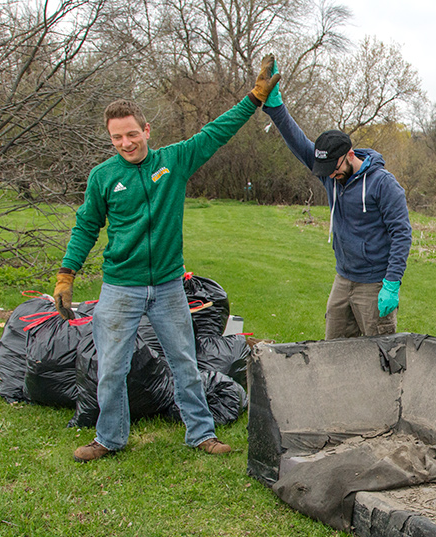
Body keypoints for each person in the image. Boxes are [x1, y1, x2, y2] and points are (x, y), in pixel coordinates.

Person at [52, 56, 280, 462]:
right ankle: (108, 438)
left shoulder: (173, 161)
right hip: (120, 286)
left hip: (170, 286)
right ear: (110, 139)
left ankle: (201, 434)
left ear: (146, 131)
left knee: (185, 363)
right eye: (117, 138)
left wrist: (254, 99)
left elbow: (216, 132)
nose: (125, 143)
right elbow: (86, 225)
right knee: (111, 370)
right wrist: (66, 274)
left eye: (132, 134)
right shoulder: (103, 177)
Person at [261, 60, 411, 337]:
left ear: (350, 156)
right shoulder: (330, 173)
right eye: (326, 172)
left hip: (375, 283)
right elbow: (298, 142)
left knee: (381, 355)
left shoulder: (383, 184)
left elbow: (402, 233)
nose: (330, 176)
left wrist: (392, 283)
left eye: (335, 170)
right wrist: (275, 107)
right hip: (343, 278)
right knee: (333, 350)